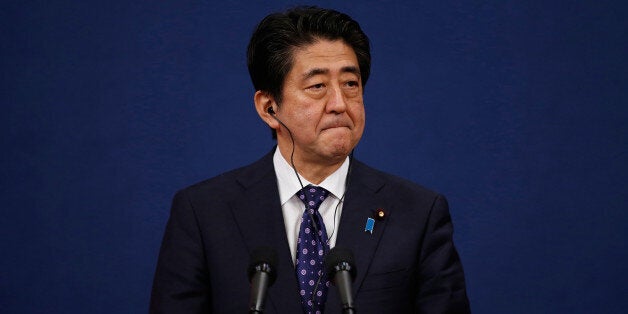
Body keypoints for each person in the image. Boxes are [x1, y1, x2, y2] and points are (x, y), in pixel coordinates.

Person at [150, 6, 470, 314]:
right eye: (317, 86)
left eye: (350, 84)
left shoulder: (418, 213)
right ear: (269, 108)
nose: (339, 104)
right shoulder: (203, 213)